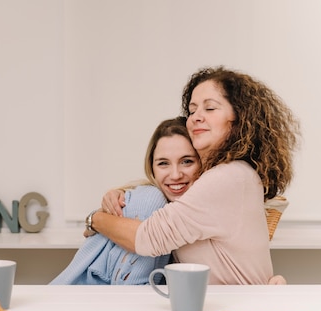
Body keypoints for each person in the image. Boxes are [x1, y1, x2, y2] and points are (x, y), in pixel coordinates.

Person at [86, 66, 300, 285]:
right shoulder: (228, 176)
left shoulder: (229, 176)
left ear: (239, 118)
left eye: (210, 108)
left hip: (236, 309)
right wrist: (123, 194)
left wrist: (95, 219)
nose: (196, 117)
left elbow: (149, 238)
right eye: (193, 110)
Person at [49, 117, 201, 285]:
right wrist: (95, 219)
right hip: (80, 304)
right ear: (151, 168)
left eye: (187, 161)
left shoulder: (189, 210)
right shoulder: (151, 198)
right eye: (163, 163)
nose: (175, 175)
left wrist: (95, 219)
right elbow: (128, 287)